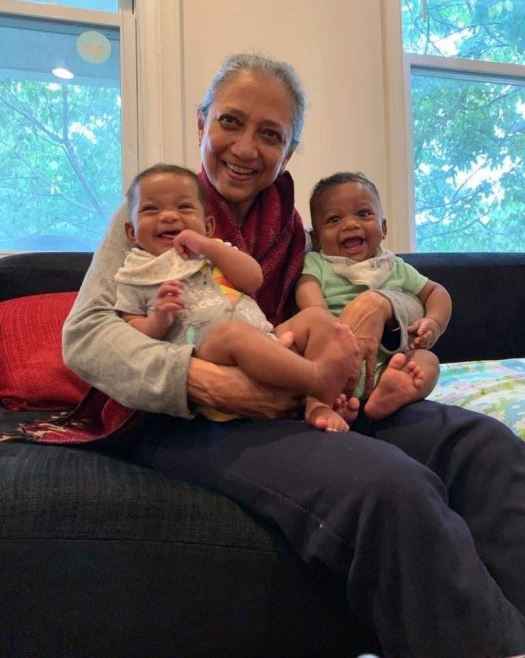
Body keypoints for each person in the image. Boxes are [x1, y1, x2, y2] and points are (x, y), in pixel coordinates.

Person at [62, 53, 525, 656]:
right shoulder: (152, 217)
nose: (245, 148)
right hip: (192, 419)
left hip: (304, 398)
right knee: (389, 489)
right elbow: (85, 334)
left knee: (484, 446)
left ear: (290, 150)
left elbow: (391, 285)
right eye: (231, 121)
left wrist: (380, 304)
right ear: (201, 122)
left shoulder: (296, 234)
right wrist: (198, 379)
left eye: (270, 134)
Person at [115, 162, 358, 430]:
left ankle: (317, 405)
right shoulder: (136, 273)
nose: (169, 216)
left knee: (315, 317)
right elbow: (130, 328)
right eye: (151, 209)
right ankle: (316, 378)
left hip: (266, 336)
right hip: (206, 352)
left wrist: (208, 246)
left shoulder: (212, 251)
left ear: (208, 226)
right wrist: (158, 320)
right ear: (131, 232)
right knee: (232, 333)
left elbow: (253, 279)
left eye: (184, 207)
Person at [296, 171, 452, 421]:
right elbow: (306, 286)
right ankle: (329, 405)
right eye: (334, 219)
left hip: (389, 365)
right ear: (316, 238)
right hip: (335, 359)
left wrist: (434, 322)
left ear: (383, 227)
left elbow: (436, 291)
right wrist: (322, 316)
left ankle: (390, 394)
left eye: (363, 213)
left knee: (427, 361)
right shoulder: (320, 263)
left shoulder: (393, 266)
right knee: (311, 367)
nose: (350, 224)